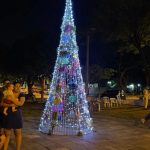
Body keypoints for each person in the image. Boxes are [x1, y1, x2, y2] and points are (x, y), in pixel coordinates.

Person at [1, 82, 25, 150]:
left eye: (19, 86)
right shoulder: (7, 93)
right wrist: (11, 104)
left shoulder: (22, 94)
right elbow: (2, 103)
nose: (17, 87)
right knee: (7, 133)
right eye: (16, 86)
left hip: (17, 115)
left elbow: (20, 103)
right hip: (8, 114)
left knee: (17, 133)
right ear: (12, 86)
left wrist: (11, 99)